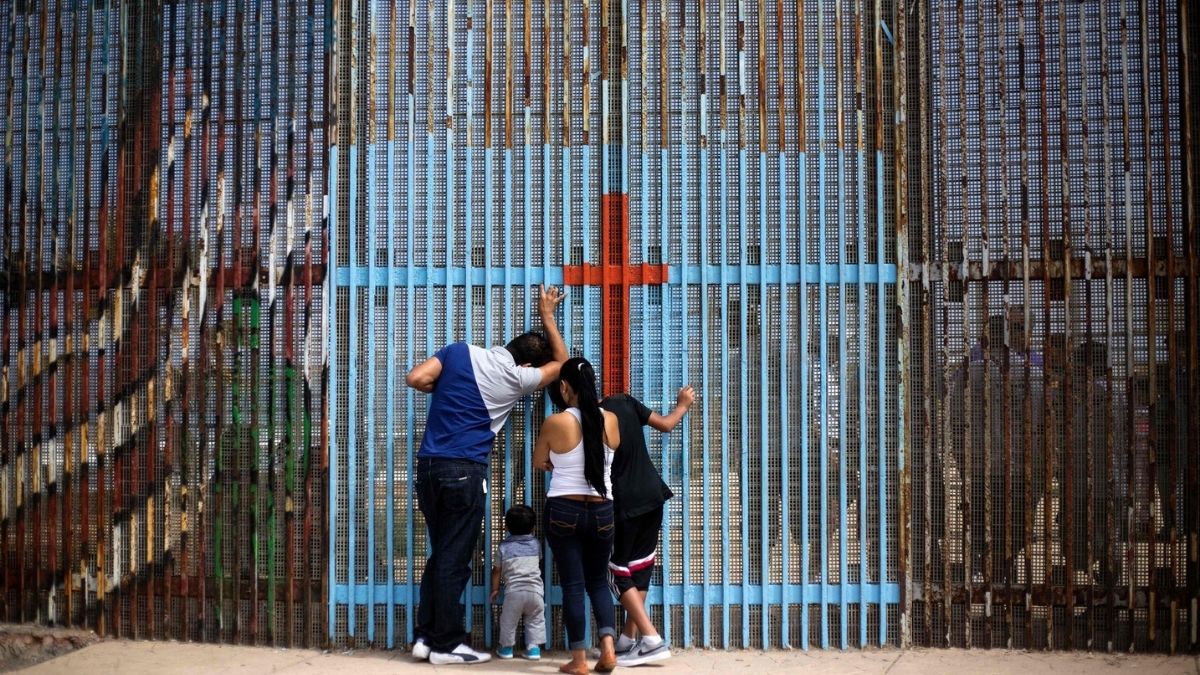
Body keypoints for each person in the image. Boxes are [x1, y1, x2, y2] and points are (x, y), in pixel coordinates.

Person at [405, 285, 568, 665]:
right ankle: (447, 644)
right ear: (527, 367)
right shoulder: (516, 379)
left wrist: (443, 388)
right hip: (464, 470)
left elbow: (415, 379)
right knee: (454, 558)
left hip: (428, 468)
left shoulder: (459, 351)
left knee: (441, 553)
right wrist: (547, 314)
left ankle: (425, 637)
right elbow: (561, 364)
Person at [533, 358, 621, 675]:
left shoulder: (556, 422)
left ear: (564, 386)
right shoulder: (610, 420)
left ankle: (580, 661)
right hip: (602, 510)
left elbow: (539, 461)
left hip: (564, 510)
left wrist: (559, 463)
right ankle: (608, 650)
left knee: (573, 585)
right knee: (599, 582)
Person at [602, 386, 693, 666]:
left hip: (624, 501)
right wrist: (683, 405)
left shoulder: (589, 416)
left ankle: (651, 638)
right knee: (639, 566)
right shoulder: (625, 402)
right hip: (652, 495)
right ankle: (628, 641)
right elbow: (666, 425)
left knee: (617, 570)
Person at [490, 504, 545, 661]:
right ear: (533, 527)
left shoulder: (504, 547)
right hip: (536, 592)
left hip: (514, 592)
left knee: (508, 621)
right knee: (535, 620)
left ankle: (506, 649)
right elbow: (538, 562)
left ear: (506, 526)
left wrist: (495, 589)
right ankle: (533, 650)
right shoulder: (536, 544)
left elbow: (496, 571)